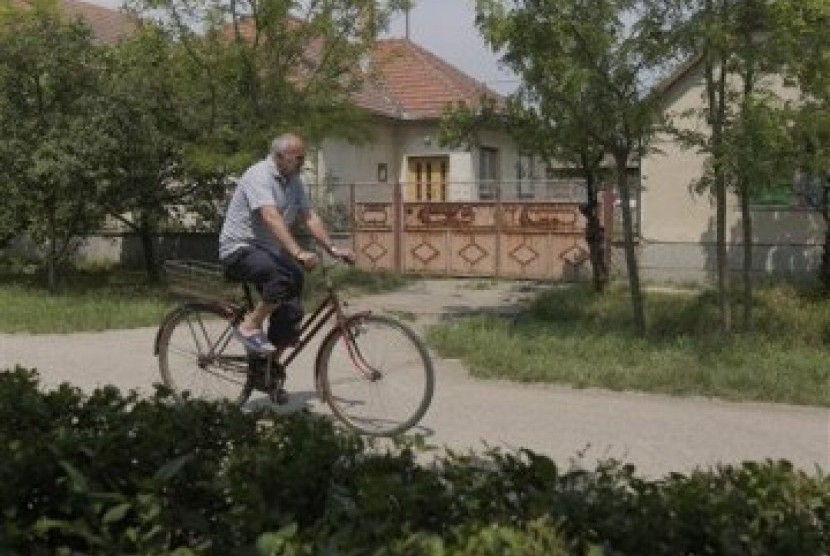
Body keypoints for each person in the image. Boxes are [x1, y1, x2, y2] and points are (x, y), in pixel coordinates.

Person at [219, 132, 355, 353]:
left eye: (303, 157)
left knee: (294, 292)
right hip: (240, 249)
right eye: (297, 157)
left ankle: (269, 363)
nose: (302, 162)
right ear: (279, 156)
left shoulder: (294, 181)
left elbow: (309, 217)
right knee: (281, 276)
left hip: (266, 252)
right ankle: (250, 326)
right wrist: (298, 252)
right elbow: (270, 216)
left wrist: (333, 248)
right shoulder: (259, 175)